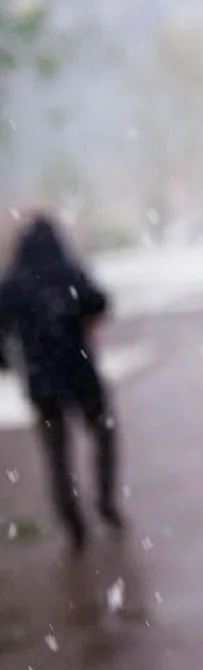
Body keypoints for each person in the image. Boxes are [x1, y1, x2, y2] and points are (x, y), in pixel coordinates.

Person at [0, 213, 120, 551]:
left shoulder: (12, 283)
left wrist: (8, 362)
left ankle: (73, 524)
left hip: (41, 382)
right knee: (104, 434)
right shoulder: (68, 272)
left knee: (56, 455)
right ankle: (107, 502)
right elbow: (100, 302)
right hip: (79, 373)